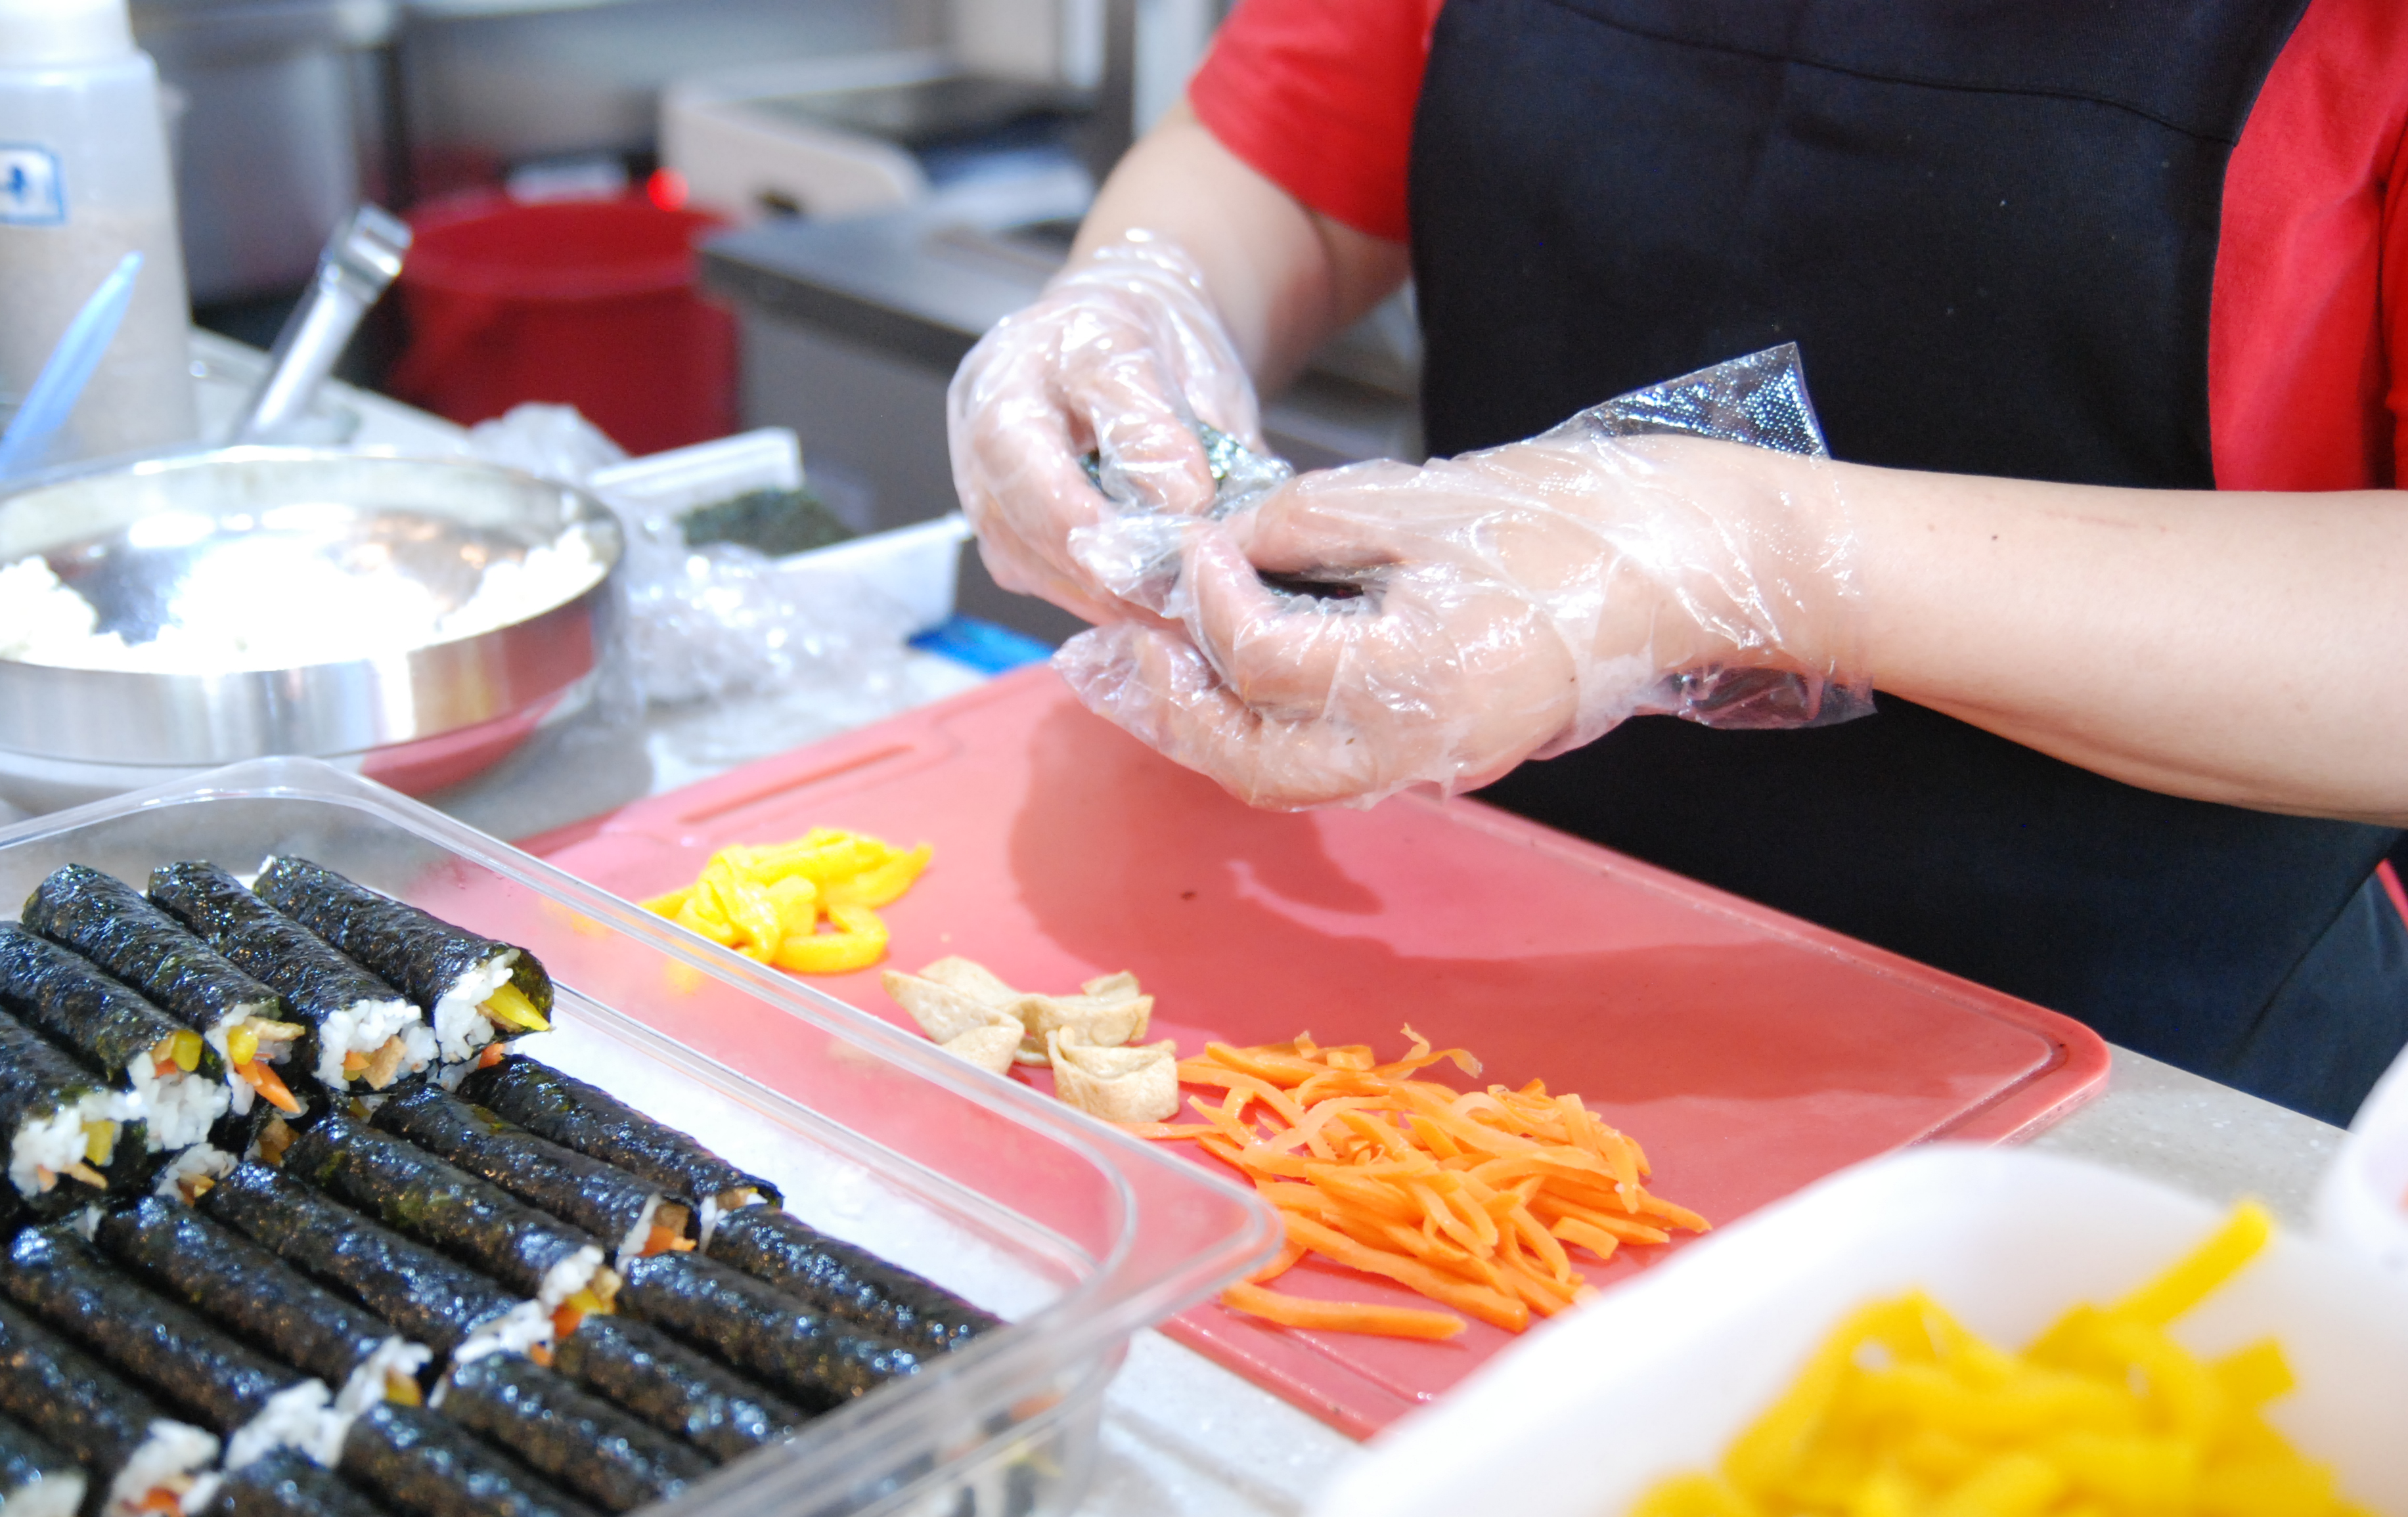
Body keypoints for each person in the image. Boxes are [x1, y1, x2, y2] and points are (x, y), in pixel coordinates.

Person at [947, 0, 2408, 1124]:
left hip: (2130, 1073)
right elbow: (1283, 162)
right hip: (1446, 943)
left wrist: (1738, 549)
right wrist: (1145, 292)